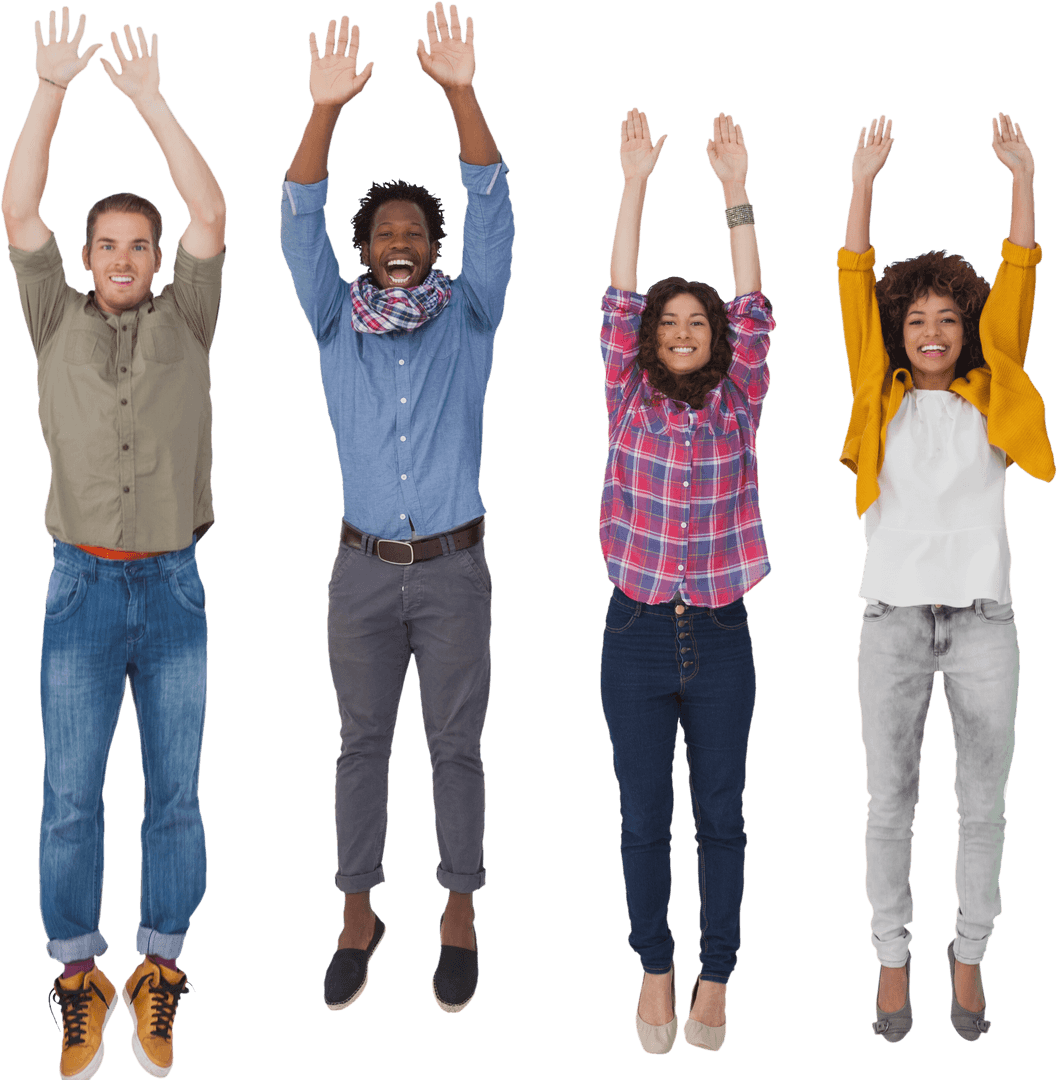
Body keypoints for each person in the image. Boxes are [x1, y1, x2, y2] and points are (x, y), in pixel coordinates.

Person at [1, 8, 226, 1079]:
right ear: (87, 259)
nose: (130, 258)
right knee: (69, 801)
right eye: (113, 246)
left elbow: (213, 213)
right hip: (79, 587)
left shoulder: (191, 316)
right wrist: (51, 90)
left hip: (175, 588)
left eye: (142, 245)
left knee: (175, 796)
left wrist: (147, 102)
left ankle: (159, 975)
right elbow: (17, 207)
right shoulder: (52, 317)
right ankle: (79, 982)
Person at [279, 4, 513, 1015]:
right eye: (383, 233)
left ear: (435, 243)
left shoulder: (472, 312)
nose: (401, 243)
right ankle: (356, 918)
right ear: (365, 249)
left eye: (416, 230)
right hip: (360, 572)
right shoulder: (335, 321)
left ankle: (458, 916)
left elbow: (497, 203)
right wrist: (323, 112)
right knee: (359, 742)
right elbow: (295, 215)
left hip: (456, 569)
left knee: (456, 744)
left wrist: (460, 91)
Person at [838, 113, 1051, 1043]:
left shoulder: (991, 381)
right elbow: (851, 278)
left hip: (983, 625)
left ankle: (967, 962)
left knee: (982, 803)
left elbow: (1019, 269)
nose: (931, 331)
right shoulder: (873, 387)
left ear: (966, 328)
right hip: (888, 621)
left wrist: (1020, 178)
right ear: (898, 329)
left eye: (945, 319)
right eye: (915, 319)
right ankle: (892, 968)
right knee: (888, 804)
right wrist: (860, 185)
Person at [598, 108, 775, 1055]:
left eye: (693, 322)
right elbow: (617, 297)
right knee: (639, 815)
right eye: (666, 322)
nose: (677, 330)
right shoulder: (624, 395)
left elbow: (754, 308)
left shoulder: (739, 401)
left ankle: (715, 978)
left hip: (719, 635)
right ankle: (654, 969)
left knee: (719, 813)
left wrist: (733, 191)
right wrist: (633, 187)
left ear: (713, 340)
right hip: (631, 632)